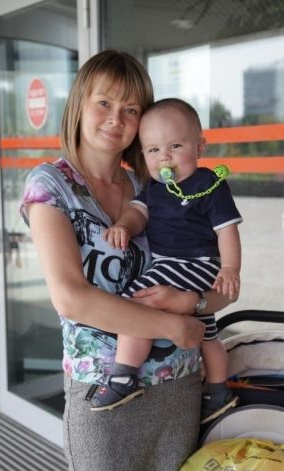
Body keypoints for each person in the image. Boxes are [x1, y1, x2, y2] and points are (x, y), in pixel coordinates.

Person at [19, 50, 234, 471]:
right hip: (105, 396)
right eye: (104, 103)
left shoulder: (154, 181)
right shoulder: (51, 186)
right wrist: (173, 325)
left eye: (131, 108)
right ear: (80, 105)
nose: (116, 118)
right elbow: (71, 297)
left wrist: (193, 302)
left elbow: (221, 279)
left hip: (176, 388)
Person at [101, 98, 242, 425]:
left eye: (175, 146)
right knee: (208, 333)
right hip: (173, 265)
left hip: (197, 262)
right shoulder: (153, 188)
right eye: (153, 150)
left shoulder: (209, 184)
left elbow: (227, 230)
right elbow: (137, 214)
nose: (163, 157)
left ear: (199, 147)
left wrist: (230, 268)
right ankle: (218, 392)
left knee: (136, 304)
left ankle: (124, 374)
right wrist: (124, 226)